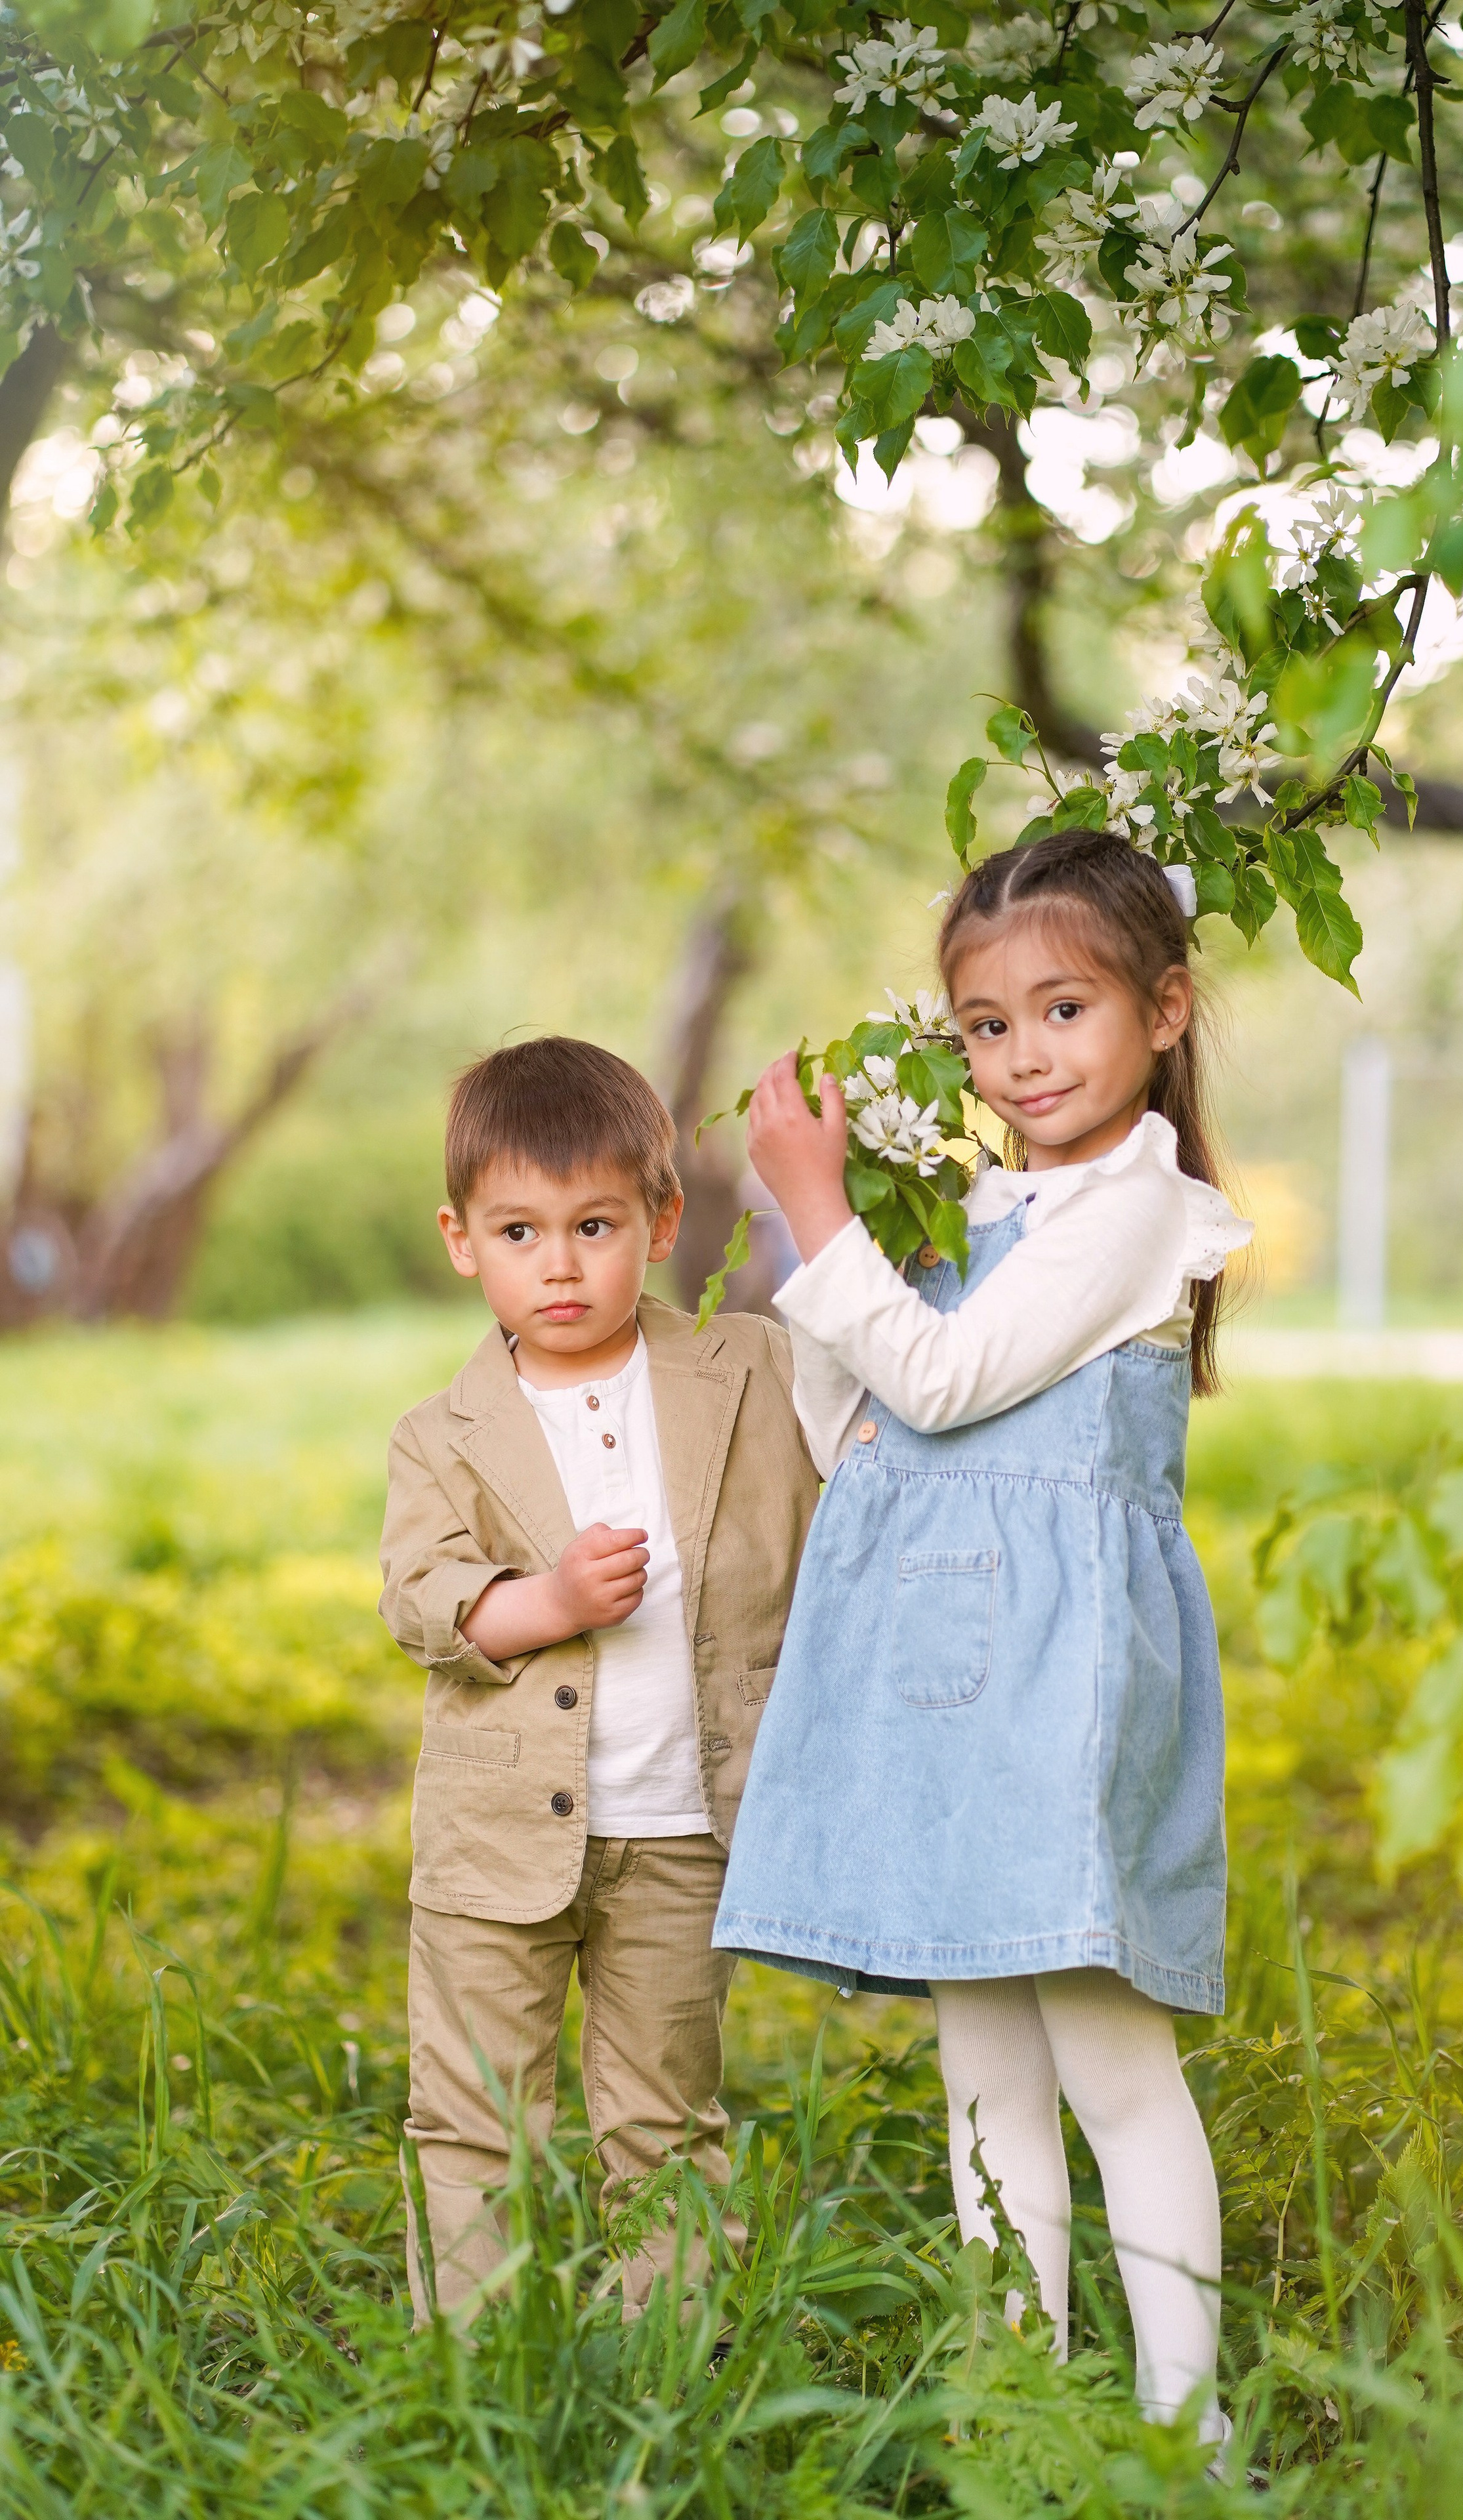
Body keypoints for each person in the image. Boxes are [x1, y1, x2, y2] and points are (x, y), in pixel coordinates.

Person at [712, 831, 1251, 2452]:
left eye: (1061, 1009)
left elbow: (937, 1384)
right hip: (941, 1672)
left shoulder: (1139, 1210)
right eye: (983, 1026)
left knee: (1110, 2064)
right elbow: (859, 1419)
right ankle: (1015, 2389)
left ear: (1161, 1013)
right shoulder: (981, 1207)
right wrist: (848, 1235)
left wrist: (819, 1217)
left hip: (1055, 1686)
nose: (1021, 1058)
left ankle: (1181, 2426)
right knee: (983, 2077)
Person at [379, 1036, 820, 2322]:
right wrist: (551, 1603)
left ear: (661, 1219)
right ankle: (476, 2369)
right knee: (471, 2115)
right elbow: (421, 1599)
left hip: (679, 1830)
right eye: (519, 1232)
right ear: (462, 1241)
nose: (558, 1265)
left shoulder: (744, 1371)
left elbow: (860, 1419)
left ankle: (661, 2362)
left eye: (593, 1225)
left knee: (666, 2118)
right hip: (491, 1842)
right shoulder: (442, 1432)